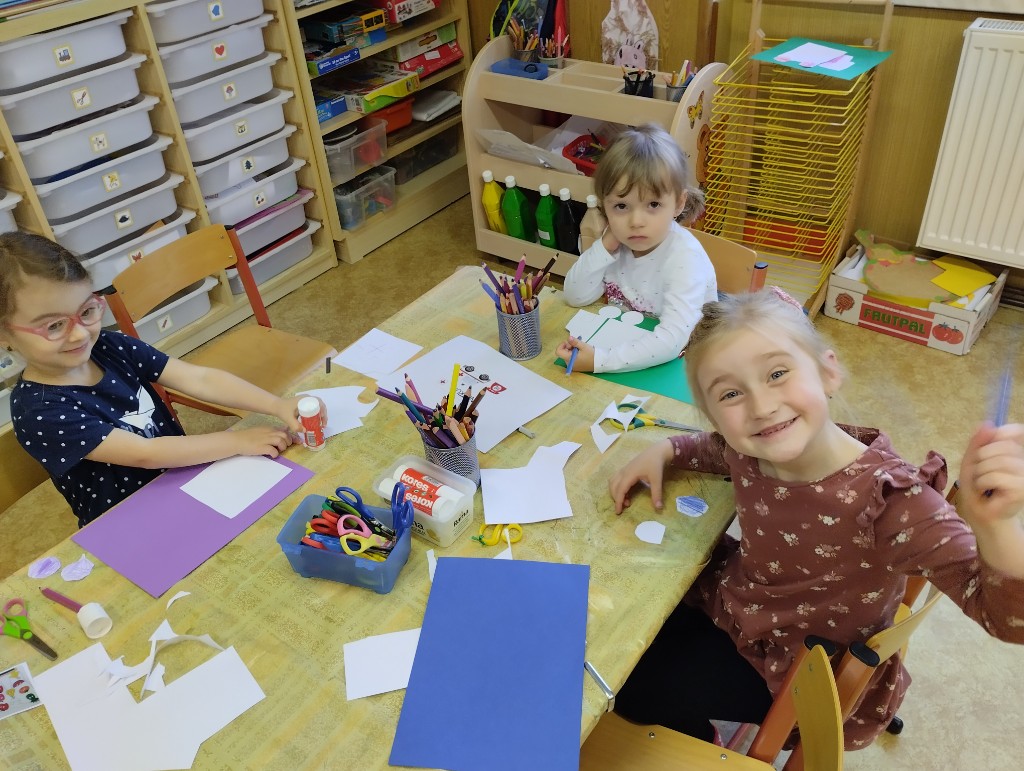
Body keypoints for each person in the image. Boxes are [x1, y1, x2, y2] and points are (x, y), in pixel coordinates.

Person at [607, 287, 1024, 749]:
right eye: (731, 394)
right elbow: (715, 450)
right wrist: (666, 448)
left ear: (828, 372)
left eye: (777, 373)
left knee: (634, 688)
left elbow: (1009, 620)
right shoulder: (750, 447)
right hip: (741, 610)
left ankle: (704, 745)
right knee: (627, 624)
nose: (762, 407)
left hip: (796, 673)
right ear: (713, 416)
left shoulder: (892, 502)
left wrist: (998, 527)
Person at [0, 232, 317, 527]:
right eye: (54, 326)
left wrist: (276, 405)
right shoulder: (38, 410)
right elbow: (144, 453)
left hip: (185, 481)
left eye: (86, 312)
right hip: (129, 521)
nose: (80, 334)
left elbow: (199, 378)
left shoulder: (111, 346)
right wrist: (236, 441)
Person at [556, 123, 717, 373]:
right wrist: (604, 247)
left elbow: (673, 340)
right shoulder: (616, 243)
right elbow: (575, 296)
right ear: (604, 206)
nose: (636, 221)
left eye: (653, 204)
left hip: (681, 361)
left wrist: (600, 361)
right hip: (631, 341)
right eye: (621, 206)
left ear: (678, 203)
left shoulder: (685, 257)